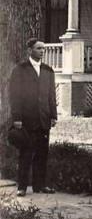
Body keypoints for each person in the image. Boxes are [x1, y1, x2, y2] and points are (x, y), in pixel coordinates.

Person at [10, 38, 57, 196]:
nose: (42, 51)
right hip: (27, 119)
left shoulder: (48, 70)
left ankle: (40, 185)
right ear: (30, 50)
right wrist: (17, 118)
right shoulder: (20, 69)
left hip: (44, 119)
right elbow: (14, 95)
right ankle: (22, 187)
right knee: (26, 153)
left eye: (43, 48)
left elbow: (51, 95)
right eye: (38, 48)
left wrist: (53, 115)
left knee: (42, 154)